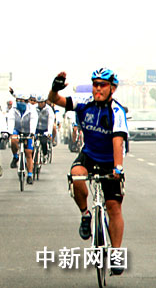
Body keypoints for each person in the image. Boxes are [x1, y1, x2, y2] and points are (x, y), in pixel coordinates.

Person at [48, 69, 128, 276]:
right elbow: (54, 100)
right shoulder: (84, 102)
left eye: (103, 85)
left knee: (113, 207)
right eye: (95, 84)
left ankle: (116, 253)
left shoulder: (116, 111)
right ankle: (85, 214)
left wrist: (117, 169)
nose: (98, 88)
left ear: (113, 88)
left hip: (111, 159)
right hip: (90, 155)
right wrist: (55, 87)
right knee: (76, 175)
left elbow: (117, 141)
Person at [7, 93, 38, 185]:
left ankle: (29, 174)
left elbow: (33, 121)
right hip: (17, 129)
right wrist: (10, 133)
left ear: (27, 101)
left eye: (22, 101)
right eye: (18, 101)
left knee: (28, 153)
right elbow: (11, 120)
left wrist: (32, 133)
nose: (19, 103)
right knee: (13, 140)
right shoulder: (13, 109)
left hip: (28, 130)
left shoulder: (32, 110)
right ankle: (15, 156)